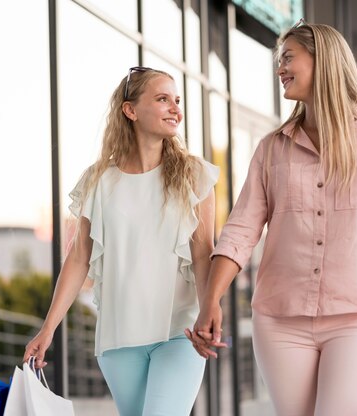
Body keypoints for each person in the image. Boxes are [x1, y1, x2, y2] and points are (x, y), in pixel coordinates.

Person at [186, 21, 357, 415]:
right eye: (278, 60)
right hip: (280, 320)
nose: (279, 69)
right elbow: (241, 229)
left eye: (288, 57)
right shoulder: (272, 148)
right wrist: (211, 299)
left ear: (322, 60)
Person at [23, 66, 219, 416]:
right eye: (162, 99)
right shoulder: (99, 182)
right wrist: (47, 329)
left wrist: (209, 308)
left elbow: (203, 255)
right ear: (130, 110)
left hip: (179, 332)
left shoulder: (194, 175)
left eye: (177, 100)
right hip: (117, 342)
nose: (176, 108)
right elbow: (79, 258)